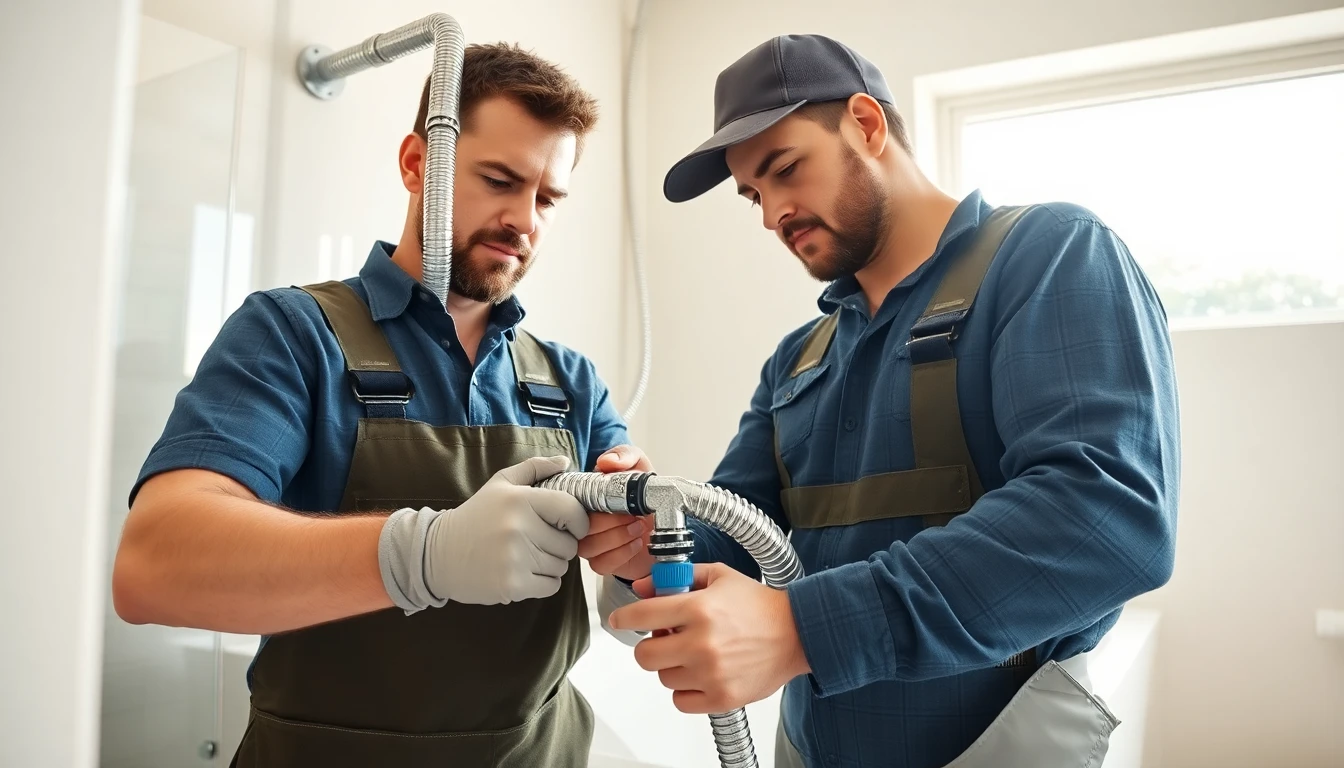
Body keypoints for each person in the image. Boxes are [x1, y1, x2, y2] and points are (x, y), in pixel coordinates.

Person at [582, 34, 1179, 768]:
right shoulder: (799, 359)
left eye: (785, 169)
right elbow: (736, 528)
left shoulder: (1048, 256)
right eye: (753, 196)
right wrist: (647, 538)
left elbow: (1105, 518)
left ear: (866, 124)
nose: (772, 214)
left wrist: (803, 630)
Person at [112, 43, 651, 767]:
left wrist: (636, 558)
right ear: (416, 164)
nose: (524, 220)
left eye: (548, 198)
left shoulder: (570, 383)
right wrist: (423, 555)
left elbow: (634, 607)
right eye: (499, 180)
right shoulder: (295, 335)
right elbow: (155, 565)